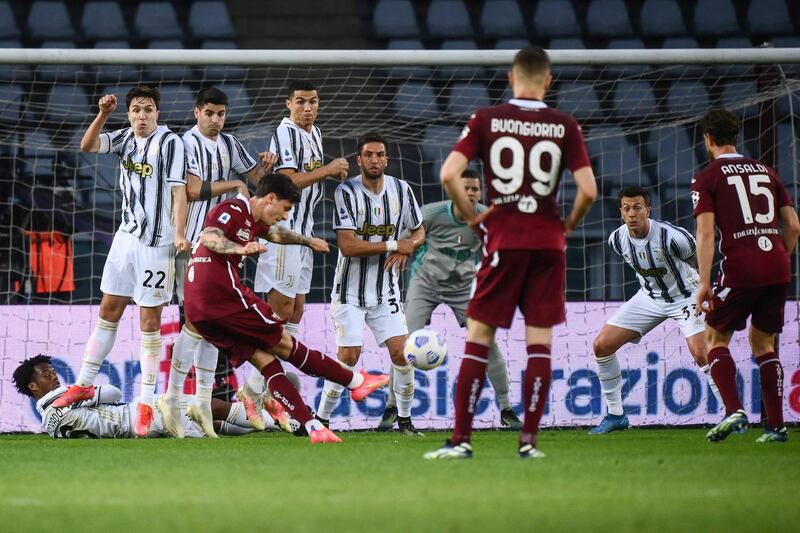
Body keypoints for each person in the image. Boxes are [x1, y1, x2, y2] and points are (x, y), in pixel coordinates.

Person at [424, 46, 597, 460]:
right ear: (549, 81)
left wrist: (472, 216)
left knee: (478, 337)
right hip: (548, 244)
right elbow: (589, 189)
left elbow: (449, 173)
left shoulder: (486, 119)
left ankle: (461, 441)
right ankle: (529, 443)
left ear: (510, 77)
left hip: (503, 240)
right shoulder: (564, 124)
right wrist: (568, 223)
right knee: (540, 343)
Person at [183, 172, 389, 444]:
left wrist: (307, 241)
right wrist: (239, 250)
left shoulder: (254, 220)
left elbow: (276, 233)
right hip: (221, 295)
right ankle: (354, 381)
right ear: (270, 198)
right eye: (285, 208)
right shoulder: (235, 208)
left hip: (199, 308)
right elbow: (210, 237)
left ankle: (312, 425)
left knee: (265, 359)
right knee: (284, 344)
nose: (285, 215)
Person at [54, 86, 190, 440]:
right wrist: (102, 114)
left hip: (156, 243)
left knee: (149, 321)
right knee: (108, 309)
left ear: (157, 113)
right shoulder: (126, 137)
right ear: (128, 114)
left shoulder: (171, 143)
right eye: (135, 110)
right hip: (125, 237)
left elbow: (179, 192)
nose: (141, 116)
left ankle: (146, 402)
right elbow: (87, 146)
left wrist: (179, 234)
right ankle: (84, 383)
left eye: (147, 109)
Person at [163, 87, 278, 438]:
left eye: (221, 114)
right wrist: (237, 183)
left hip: (224, 246)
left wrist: (264, 168)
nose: (215, 120)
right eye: (209, 113)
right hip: (194, 243)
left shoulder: (229, 144)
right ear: (197, 112)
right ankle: (172, 399)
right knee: (195, 320)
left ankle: (202, 401)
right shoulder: (183, 144)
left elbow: (254, 181)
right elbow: (194, 190)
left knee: (210, 323)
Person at [377, 169, 522, 431]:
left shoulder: (487, 219)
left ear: (480, 192)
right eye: (464, 188)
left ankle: (507, 409)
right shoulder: (431, 214)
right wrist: (404, 250)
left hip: (464, 288)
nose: (470, 194)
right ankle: (391, 406)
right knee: (403, 343)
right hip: (426, 283)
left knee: (486, 341)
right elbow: (408, 238)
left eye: (475, 189)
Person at [692, 108, 799, 443]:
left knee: (713, 336)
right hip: (778, 265)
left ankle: (734, 410)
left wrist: (705, 282)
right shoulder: (767, 171)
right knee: (764, 344)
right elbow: (794, 225)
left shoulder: (707, 177)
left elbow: (706, 234)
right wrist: (780, 258)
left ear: (708, 139)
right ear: (735, 137)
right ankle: (777, 427)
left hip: (742, 266)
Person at [315, 132, 425, 435]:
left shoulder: (402, 190)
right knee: (348, 356)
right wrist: (395, 246)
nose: (374, 160)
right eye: (369, 155)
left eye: (380, 155)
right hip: (349, 291)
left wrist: (411, 245)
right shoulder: (345, 192)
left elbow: (418, 231)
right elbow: (348, 246)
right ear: (359, 160)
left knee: (402, 354)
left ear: (386, 159)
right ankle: (321, 420)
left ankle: (404, 421)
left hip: (386, 290)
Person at [590, 186, 723, 434]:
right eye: (627, 208)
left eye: (637, 208)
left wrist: (703, 288)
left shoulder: (672, 237)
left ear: (648, 210)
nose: (632, 214)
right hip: (650, 298)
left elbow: (699, 257)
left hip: (686, 296)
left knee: (702, 352)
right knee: (601, 345)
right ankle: (616, 415)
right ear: (621, 212)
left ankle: (731, 414)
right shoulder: (617, 239)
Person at [253, 81, 349, 336]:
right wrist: (328, 169)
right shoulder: (286, 133)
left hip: (304, 230)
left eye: (313, 101)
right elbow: (286, 181)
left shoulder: (314, 132)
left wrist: (328, 172)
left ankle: (282, 372)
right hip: (283, 229)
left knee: (296, 310)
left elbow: (309, 175)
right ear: (288, 104)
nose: (307, 108)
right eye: (300, 102)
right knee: (280, 311)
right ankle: (260, 374)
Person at [12, 355, 292, 438]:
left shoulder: (48, 420)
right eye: (45, 374)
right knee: (211, 407)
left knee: (211, 427)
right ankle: (279, 418)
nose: (54, 376)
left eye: (52, 371)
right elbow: (114, 392)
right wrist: (86, 393)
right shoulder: (64, 396)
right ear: (34, 386)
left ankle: (271, 421)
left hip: (134, 433)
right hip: (139, 414)